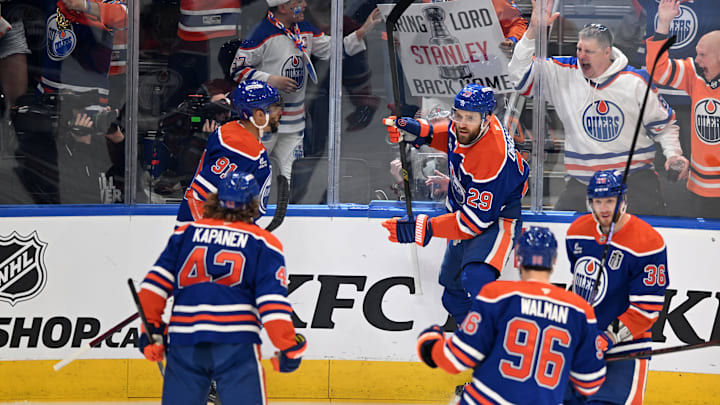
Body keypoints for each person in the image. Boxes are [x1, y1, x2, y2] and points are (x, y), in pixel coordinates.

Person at [136, 171, 307, 404]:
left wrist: (151, 333)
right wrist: (288, 346)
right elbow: (272, 304)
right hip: (236, 343)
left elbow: (152, 289)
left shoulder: (185, 234)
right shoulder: (264, 243)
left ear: (216, 199)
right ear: (254, 204)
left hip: (185, 341)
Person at [508, 0, 689, 216]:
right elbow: (519, 77)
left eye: (589, 51)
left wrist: (673, 154)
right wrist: (532, 32)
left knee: (650, 233)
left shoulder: (635, 81)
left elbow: (665, 126)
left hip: (633, 179)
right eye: (579, 49)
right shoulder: (563, 71)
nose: (581, 56)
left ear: (606, 52)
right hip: (584, 182)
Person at [381, 83, 530, 325]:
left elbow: (473, 224)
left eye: (469, 118)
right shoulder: (471, 126)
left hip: (498, 218)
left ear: (487, 118)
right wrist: (414, 129)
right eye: (458, 115)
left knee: (476, 279)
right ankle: (474, 345)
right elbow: (445, 133)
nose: (461, 122)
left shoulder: (492, 156)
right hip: (469, 205)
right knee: (452, 296)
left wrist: (422, 228)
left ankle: (504, 341)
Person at [414, 227, 606, 405]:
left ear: (519, 258)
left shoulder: (497, 296)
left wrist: (430, 344)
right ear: (554, 261)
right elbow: (590, 383)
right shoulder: (580, 311)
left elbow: (455, 359)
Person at [228, 0, 382, 181]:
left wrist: (363, 30)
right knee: (255, 173)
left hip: (295, 123)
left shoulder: (305, 29)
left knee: (291, 176)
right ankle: (254, 207)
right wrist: (271, 80)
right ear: (283, 7)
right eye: (298, 2)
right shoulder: (261, 33)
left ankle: (287, 207)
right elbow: (237, 71)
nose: (305, 5)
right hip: (265, 122)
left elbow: (332, 49)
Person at [566, 169, 669, 404]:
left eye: (610, 201)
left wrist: (608, 337)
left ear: (623, 201)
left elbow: (647, 308)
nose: (603, 208)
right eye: (598, 201)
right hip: (583, 347)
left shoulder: (648, 242)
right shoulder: (576, 233)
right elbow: (578, 287)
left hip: (627, 349)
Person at [645, 0, 720, 219]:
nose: (697, 60)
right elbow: (658, 70)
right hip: (701, 189)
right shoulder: (695, 75)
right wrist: (664, 24)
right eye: (696, 54)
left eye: (702, 55)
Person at [176, 79, 282, 226]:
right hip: (208, 232)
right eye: (274, 108)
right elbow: (202, 194)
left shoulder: (236, 131)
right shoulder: (239, 146)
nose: (279, 113)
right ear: (258, 115)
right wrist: (221, 233)